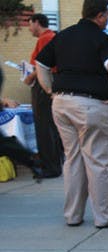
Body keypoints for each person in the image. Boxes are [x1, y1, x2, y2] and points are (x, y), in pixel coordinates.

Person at [36, 0, 108, 229]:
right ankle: (104, 216)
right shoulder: (103, 39)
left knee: (73, 158)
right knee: (98, 160)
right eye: (107, 14)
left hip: (61, 103)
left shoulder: (63, 36)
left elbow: (41, 64)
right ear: (100, 15)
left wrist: (49, 89)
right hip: (92, 105)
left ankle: (73, 215)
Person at [23, 13, 63, 179]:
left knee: (44, 127)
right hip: (48, 84)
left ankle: (51, 167)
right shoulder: (52, 37)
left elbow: (43, 65)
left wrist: (29, 77)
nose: (29, 28)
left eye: (30, 24)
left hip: (43, 86)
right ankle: (54, 164)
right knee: (50, 126)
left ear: (37, 23)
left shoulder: (45, 38)